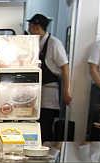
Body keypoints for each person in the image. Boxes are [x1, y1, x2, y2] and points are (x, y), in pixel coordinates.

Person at [27, 13, 72, 141]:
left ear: (36, 27)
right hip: (35, 92)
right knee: (35, 126)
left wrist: (66, 91)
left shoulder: (54, 43)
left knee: (45, 127)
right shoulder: (34, 42)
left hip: (49, 92)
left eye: (31, 25)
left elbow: (65, 67)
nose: (29, 29)